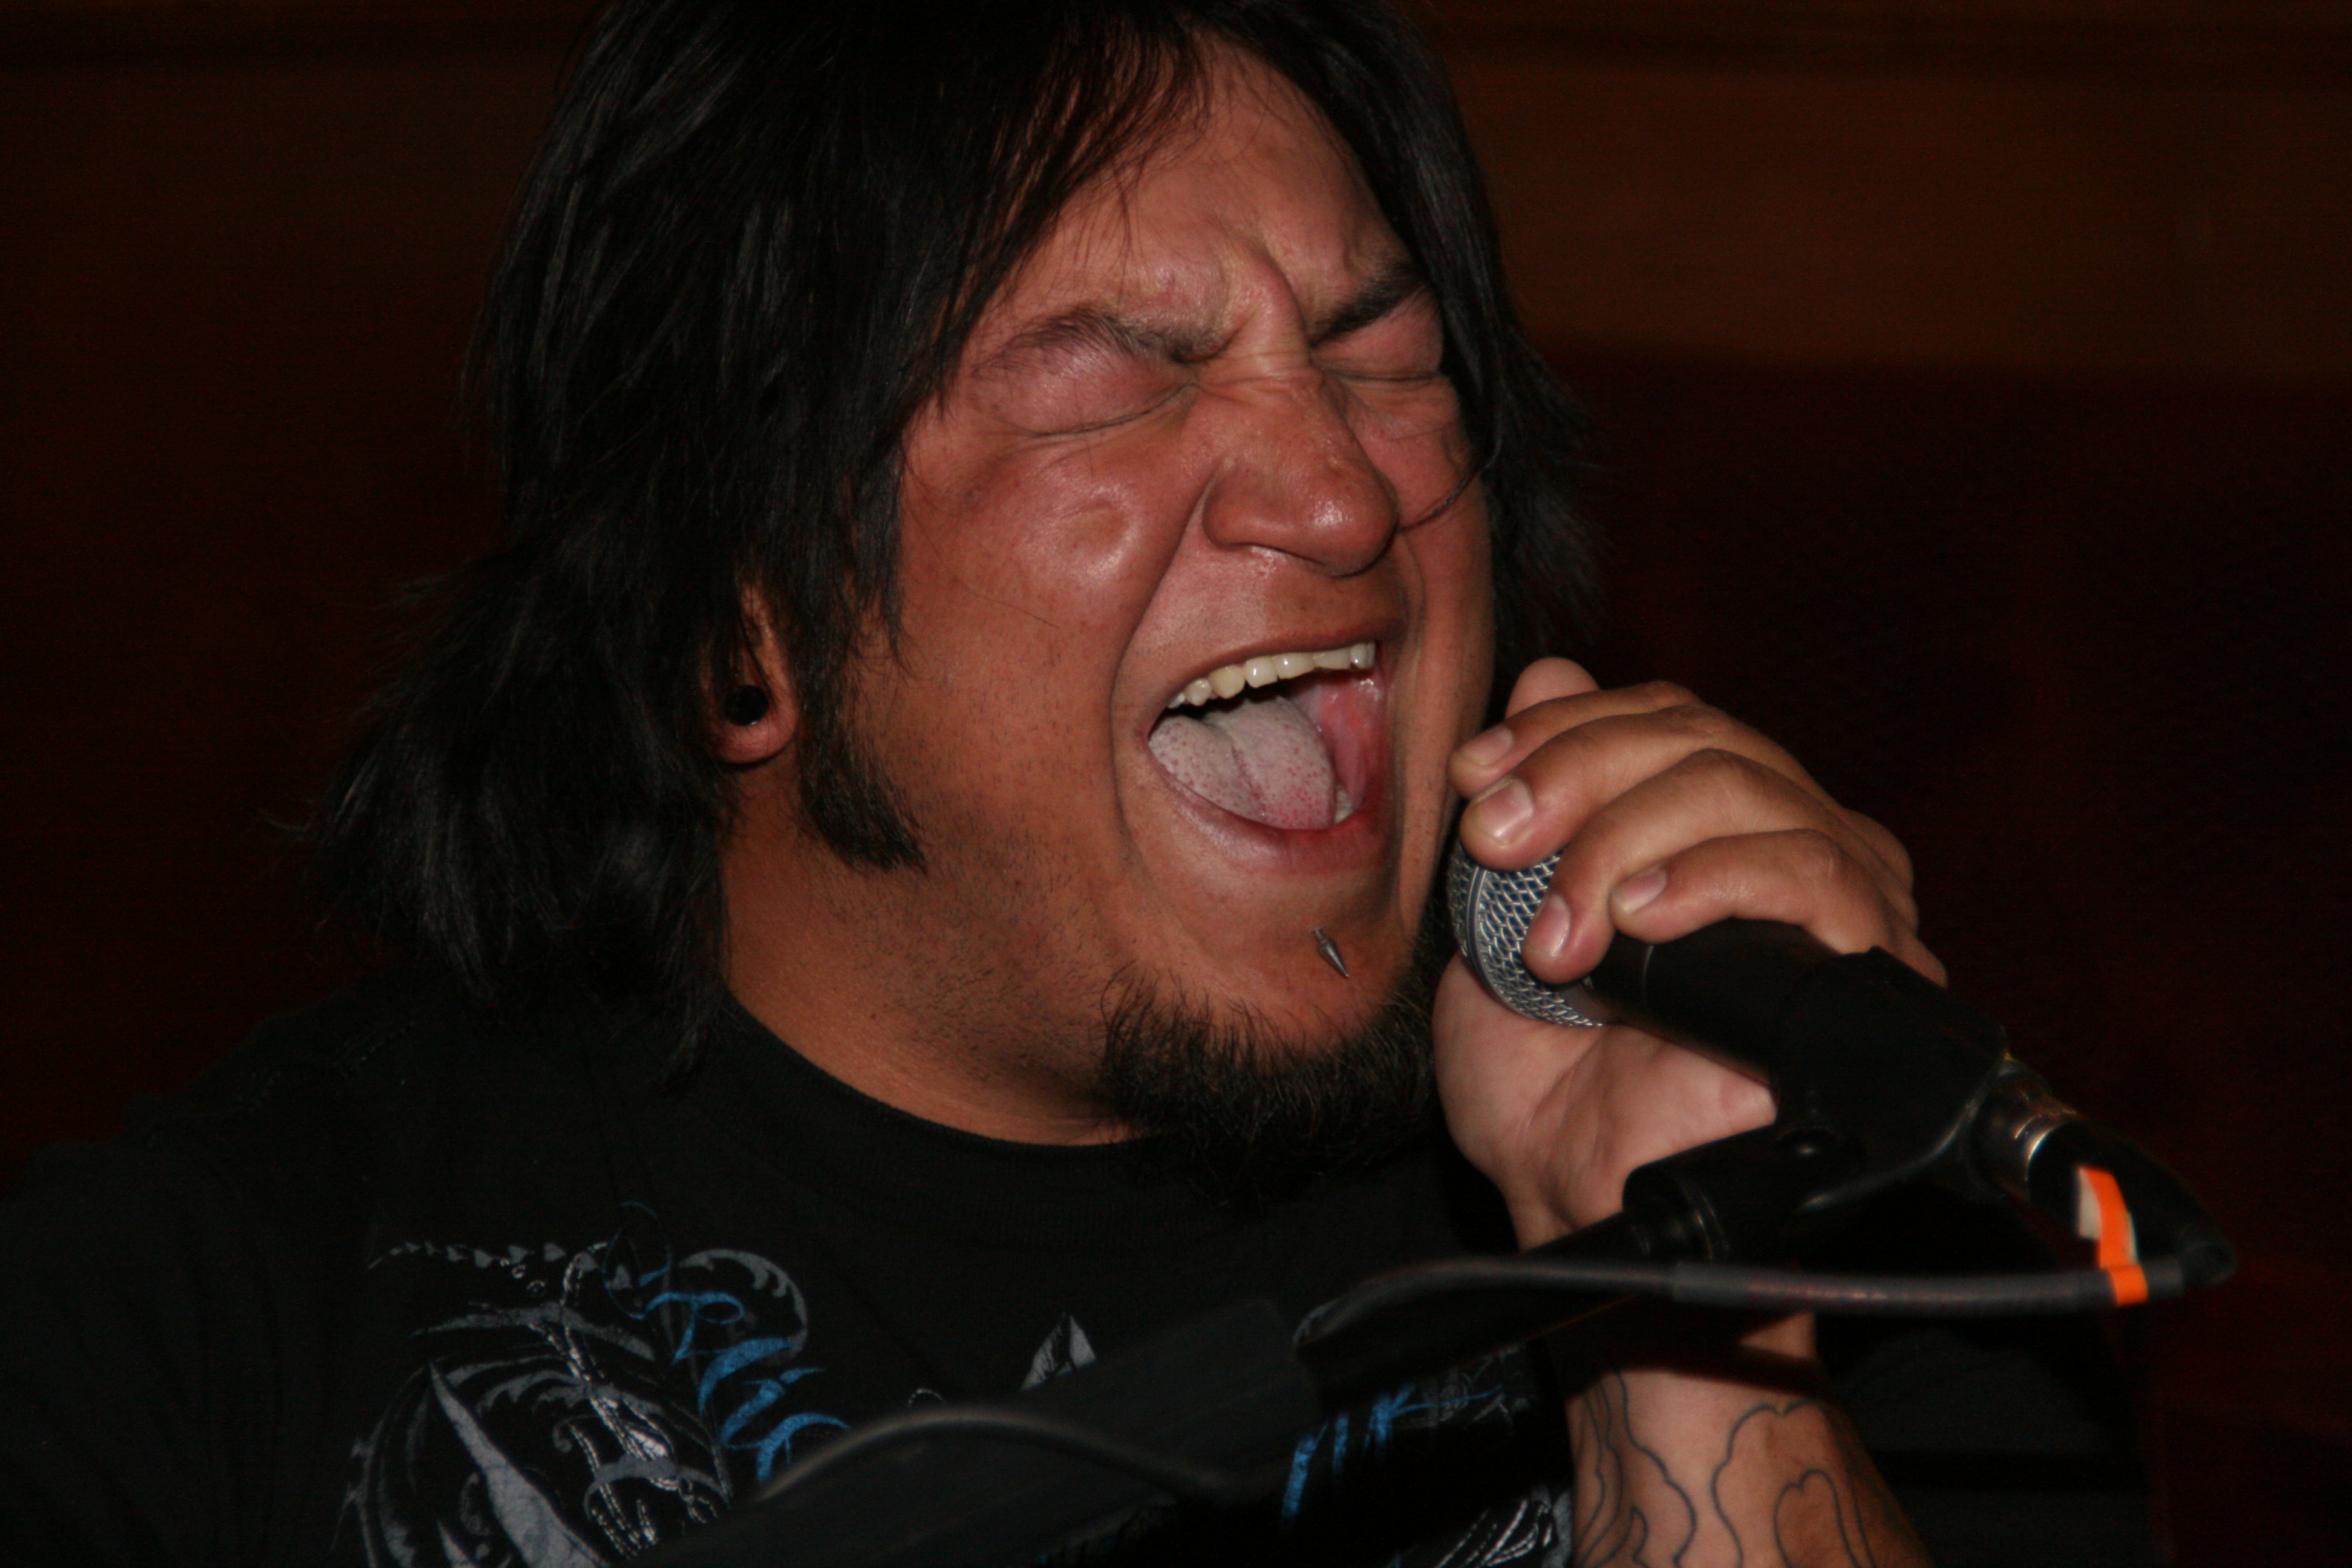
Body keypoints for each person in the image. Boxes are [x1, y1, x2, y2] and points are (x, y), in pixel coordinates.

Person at [0, 0, 2154, 1563]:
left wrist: (1671, 1287)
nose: (1341, 492)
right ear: (736, 629)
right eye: (1114, 386)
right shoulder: (182, 1323)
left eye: (1383, 357)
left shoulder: (1863, 1216)